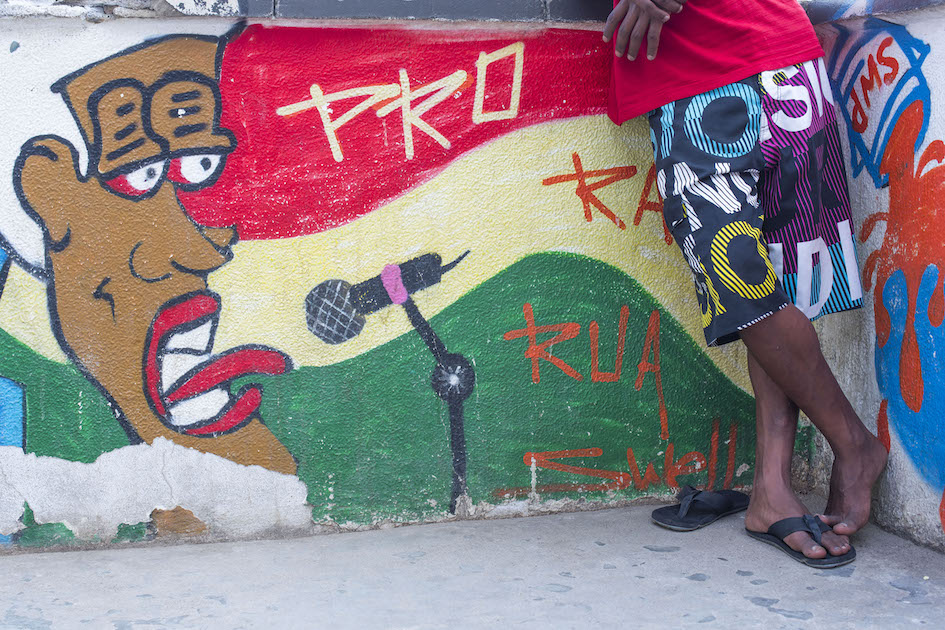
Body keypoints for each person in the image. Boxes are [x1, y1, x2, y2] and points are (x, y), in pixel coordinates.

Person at [602, 0, 887, 565]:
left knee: (748, 289)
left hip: (728, 74)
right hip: (760, 67)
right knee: (762, 287)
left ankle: (853, 447)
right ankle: (770, 492)